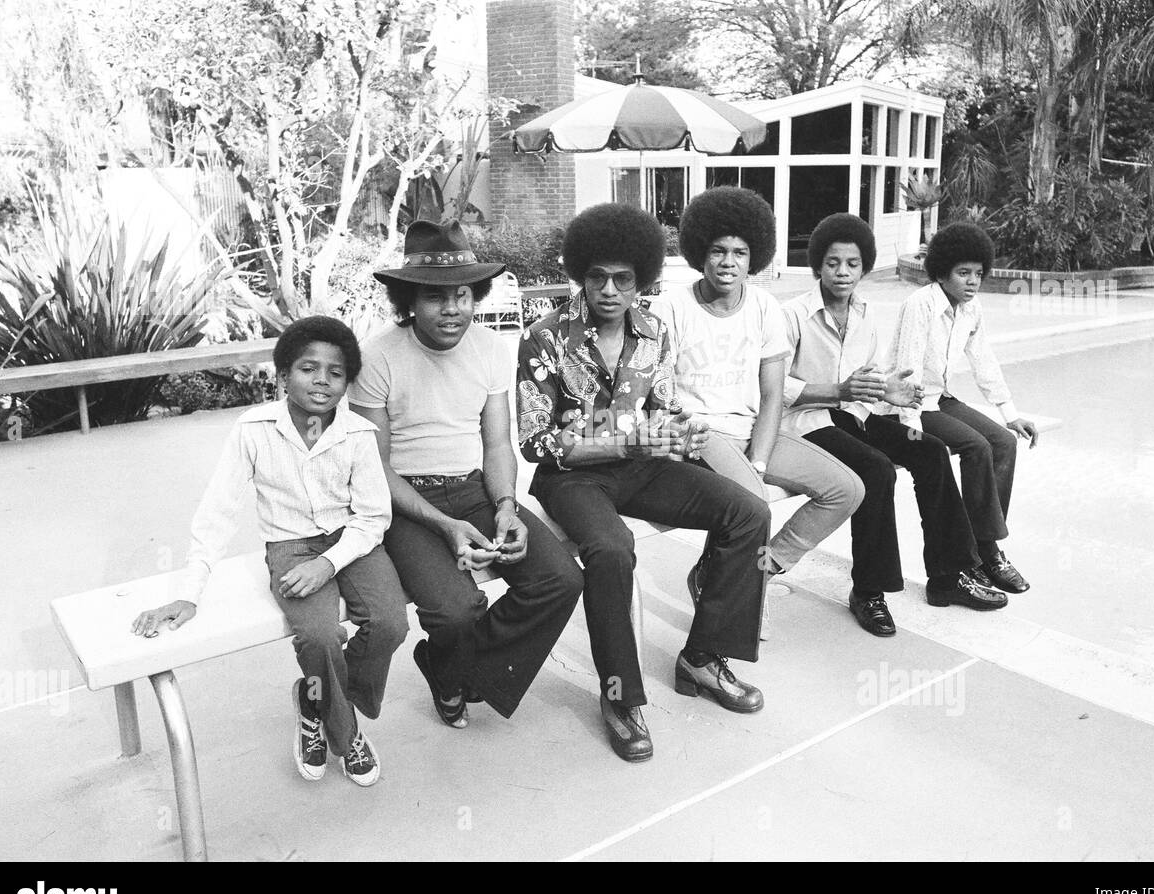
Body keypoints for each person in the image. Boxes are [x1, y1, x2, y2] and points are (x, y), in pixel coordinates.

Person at [517, 202, 771, 764]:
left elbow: (663, 402)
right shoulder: (544, 336)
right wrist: (624, 442)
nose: (609, 289)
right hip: (572, 477)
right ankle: (619, 698)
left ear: (642, 281)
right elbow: (536, 442)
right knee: (612, 550)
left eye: (623, 279)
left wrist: (682, 427)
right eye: (597, 277)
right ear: (580, 275)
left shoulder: (653, 331)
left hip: (643, 464)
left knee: (748, 512)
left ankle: (701, 659)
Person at [131, 316, 404, 787]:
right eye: (307, 368)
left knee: (390, 623)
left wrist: (329, 563)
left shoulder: (359, 434)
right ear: (282, 375)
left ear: (346, 383)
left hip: (353, 541)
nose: (322, 380)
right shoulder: (253, 428)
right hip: (291, 547)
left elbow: (374, 517)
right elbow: (218, 511)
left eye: (335, 373)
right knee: (318, 637)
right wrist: (190, 593)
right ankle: (346, 732)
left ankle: (315, 697)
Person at [351, 220, 583, 733]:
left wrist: (505, 507)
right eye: (435, 297)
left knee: (560, 578)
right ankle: (453, 662)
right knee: (457, 611)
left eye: (461, 294)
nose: (452, 308)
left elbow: (497, 443)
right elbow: (375, 469)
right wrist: (444, 525)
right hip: (405, 502)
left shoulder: (489, 348)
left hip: (476, 489)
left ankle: (452, 668)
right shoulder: (377, 357)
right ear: (409, 299)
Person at [782, 213, 1007, 634]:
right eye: (833, 263)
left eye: (852, 264)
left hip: (855, 414)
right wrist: (839, 391)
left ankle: (949, 576)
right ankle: (868, 591)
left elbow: (867, 376)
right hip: (807, 422)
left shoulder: (864, 314)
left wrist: (888, 391)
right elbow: (775, 386)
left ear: (865, 267)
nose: (843, 272)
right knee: (877, 470)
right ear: (817, 266)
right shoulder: (792, 315)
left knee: (930, 450)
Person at [651, 187, 864, 615]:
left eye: (740, 252)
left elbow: (772, 396)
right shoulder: (670, 307)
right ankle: (731, 598)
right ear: (700, 253)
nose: (728, 262)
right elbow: (660, 396)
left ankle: (751, 571)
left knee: (847, 489)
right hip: (700, 434)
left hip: (753, 432)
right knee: (754, 504)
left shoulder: (766, 307)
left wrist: (760, 461)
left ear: (755, 257)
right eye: (718, 251)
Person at [892, 221, 1038, 595]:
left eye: (978, 274)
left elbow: (983, 361)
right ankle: (982, 553)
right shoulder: (919, 305)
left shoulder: (972, 311)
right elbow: (906, 369)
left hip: (940, 398)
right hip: (909, 404)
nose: (972, 282)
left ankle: (984, 549)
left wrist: (1010, 413)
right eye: (963, 273)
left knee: (1003, 442)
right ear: (942, 271)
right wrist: (911, 429)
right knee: (976, 447)